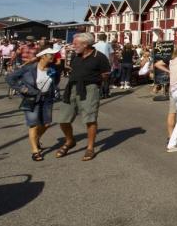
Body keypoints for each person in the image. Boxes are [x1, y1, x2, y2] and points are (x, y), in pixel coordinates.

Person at [55, 33, 110, 161]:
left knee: (90, 119)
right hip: (71, 88)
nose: (73, 46)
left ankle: (90, 148)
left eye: (75, 44)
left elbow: (106, 73)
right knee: (63, 119)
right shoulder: (76, 55)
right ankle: (70, 141)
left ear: (86, 44)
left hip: (90, 89)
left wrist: (94, 81)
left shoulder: (100, 57)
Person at [7, 47, 60, 161]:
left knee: (46, 124)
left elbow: (56, 81)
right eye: (51, 55)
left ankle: (36, 139)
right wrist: (21, 89)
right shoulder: (28, 68)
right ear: (43, 56)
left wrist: (54, 90)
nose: (53, 57)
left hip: (47, 99)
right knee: (34, 125)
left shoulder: (53, 68)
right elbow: (10, 78)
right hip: (31, 99)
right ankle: (35, 151)